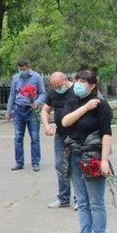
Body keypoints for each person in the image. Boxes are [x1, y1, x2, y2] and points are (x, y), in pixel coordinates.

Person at [61, 70, 113, 233]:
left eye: (84, 81)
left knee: (95, 202)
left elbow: (106, 133)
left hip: (93, 156)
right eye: (78, 80)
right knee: (82, 201)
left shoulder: (101, 105)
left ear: (92, 86)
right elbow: (65, 122)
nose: (79, 84)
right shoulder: (72, 102)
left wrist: (104, 161)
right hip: (74, 154)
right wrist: (85, 108)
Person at [42, 72, 78, 209]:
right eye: (54, 86)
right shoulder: (53, 93)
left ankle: (79, 198)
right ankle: (63, 198)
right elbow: (45, 110)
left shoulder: (76, 92)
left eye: (59, 86)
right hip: (60, 134)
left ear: (66, 80)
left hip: (76, 134)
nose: (57, 89)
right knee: (59, 165)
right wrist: (47, 126)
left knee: (76, 166)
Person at [5, 59, 46, 171]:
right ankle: (19, 162)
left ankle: (35, 162)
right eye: (20, 69)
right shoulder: (15, 78)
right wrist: (8, 112)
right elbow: (12, 95)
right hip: (19, 110)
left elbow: (43, 93)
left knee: (34, 137)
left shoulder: (37, 77)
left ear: (29, 67)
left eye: (24, 69)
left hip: (31, 111)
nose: (22, 71)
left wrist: (36, 103)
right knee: (18, 137)